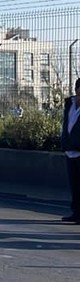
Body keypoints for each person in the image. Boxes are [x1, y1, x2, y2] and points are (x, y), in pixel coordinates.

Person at [61, 78, 80, 223]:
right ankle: (76, 212)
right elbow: (66, 125)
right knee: (74, 184)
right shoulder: (70, 104)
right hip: (70, 151)